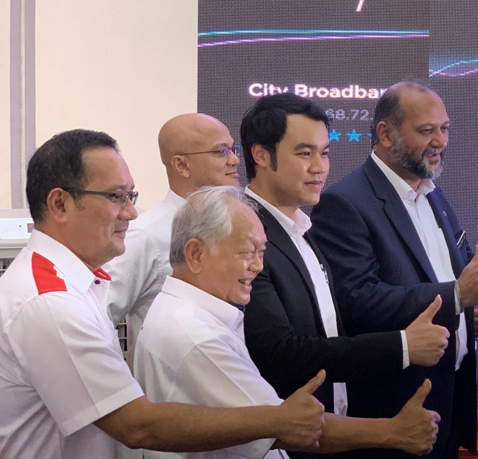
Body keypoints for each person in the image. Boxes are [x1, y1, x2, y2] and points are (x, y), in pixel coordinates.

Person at [0, 129, 324, 459]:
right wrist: (277, 420)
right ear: (60, 204)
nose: (131, 213)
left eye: (131, 196)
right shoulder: (51, 301)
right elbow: (137, 426)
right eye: (116, 197)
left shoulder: (71, 285)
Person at [310, 81, 478, 458]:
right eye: (426, 130)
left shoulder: (432, 193)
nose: (440, 141)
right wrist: (456, 298)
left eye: (445, 128)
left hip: (446, 403)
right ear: (385, 134)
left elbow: (460, 272)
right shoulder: (345, 203)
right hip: (391, 412)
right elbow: (357, 301)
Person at [132, 186, 439, 458]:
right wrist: (394, 431)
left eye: (262, 252)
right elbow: (288, 425)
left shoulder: (182, 313)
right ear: (196, 254)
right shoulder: (197, 335)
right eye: (246, 252)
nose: (258, 266)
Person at [239, 93, 449, 458]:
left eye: (324, 153)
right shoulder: (246, 236)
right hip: (283, 442)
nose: (319, 167)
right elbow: (282, 354)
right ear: (260, 155)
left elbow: (331, 326)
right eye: (304, 153)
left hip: (332, 433)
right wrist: (402, 346)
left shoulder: (301, 228)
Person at [105, 113, 242, 360]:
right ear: (181, 165)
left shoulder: (237, 227)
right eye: (221, 151)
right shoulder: (145, 235)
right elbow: (97, 317)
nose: (234, 160)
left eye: (233, 149)